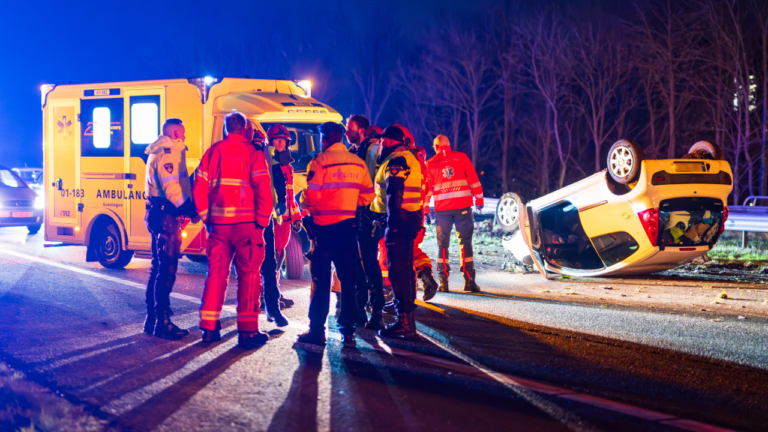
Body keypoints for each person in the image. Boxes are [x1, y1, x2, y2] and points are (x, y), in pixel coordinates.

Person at [194, 113, 273, 348]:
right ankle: (248, 332)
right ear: (245, 128)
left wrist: (207, 217)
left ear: (228, 128)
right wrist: (262, 220)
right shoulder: (253, 153)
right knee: (249, 278)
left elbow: (199, 187)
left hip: (219, 227)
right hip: (247, 227)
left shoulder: (213, 151)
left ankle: (208, 329)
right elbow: (263, 189)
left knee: (216, 276)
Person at [299, 122, 374, 346]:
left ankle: (316, 332)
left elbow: (311, 197)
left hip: (323, 230)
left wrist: (303, 201)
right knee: (348, 282)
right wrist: (349, 203)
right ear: (341, 137)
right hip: (348, 230)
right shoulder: (358, 163)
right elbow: (368, 196)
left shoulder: (320, 162)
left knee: (320, 282)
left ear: (323, 138)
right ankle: (348, 331)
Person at [144, 118, 198, 339]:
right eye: (182, 132)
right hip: (165, 215)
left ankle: (152, 319)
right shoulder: (167, 153)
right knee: (166, 270)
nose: (184, 136)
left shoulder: (160, 151)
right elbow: (171, 188)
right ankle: (162, 322)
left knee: (157, 268)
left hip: (157, 212)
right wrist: (191, 209)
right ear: (175, 133)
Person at [371, 126, 423, 339]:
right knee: (406, 270)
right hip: (409, 218)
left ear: (390, 141)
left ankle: (405, 323)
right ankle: (407, 320)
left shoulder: (397, 160)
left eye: (383, 141)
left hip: (399, 221)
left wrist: (391, 224)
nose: (381, 145)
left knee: (398, 271)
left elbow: (395, 193)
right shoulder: (409, 158)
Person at [424, 135, 484, 293]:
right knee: (465, 243)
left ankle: (444, 283)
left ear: (436, 147)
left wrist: (424, 208)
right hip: (463, 208)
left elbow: (427, 189)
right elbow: (473, 179)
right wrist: (479, 200)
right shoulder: (462, 157)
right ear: (448, 145)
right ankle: (469, 281)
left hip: (442, 210)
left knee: (442, 245)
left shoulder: (430, 163)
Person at [345, 115, 386, 329]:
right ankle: (359, 311)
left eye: (349, 128)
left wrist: (377, 214)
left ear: (361, 130)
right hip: (353, 214)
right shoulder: (352, 152)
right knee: (356, 265)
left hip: (369, 215)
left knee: (370, 264)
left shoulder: (373, 150)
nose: (346, 132)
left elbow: (379, 181)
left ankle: (377, 312)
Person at [259, 124, 301, 327]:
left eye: (284, 140)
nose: (281, 143)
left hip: (284, 221)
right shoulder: (269, 163)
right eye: (277, 139)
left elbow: (290, 196)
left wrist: (297, 217)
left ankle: (275, 294)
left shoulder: (288, 167)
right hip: (273, 219)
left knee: (279, 257)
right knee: (270, 260)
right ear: (270, 142)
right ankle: (266, 297)